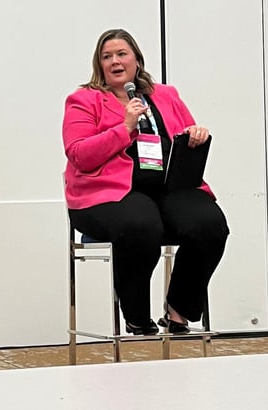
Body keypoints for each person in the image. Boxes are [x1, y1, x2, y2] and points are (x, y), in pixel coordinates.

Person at [62, 29, 230, 335]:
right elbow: (79, 155)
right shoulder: (84, 100)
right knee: (141, 225)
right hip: (107, 192)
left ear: (137, 60)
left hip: (168, 186)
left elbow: (186, 131)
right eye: (107, 56)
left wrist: (195, 135)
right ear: (99, 65)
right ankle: (137, 316)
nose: (115, 61)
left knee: (209, 224)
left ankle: (179, 310)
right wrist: (124, 127)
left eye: (121, 54)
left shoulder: (166, 95)